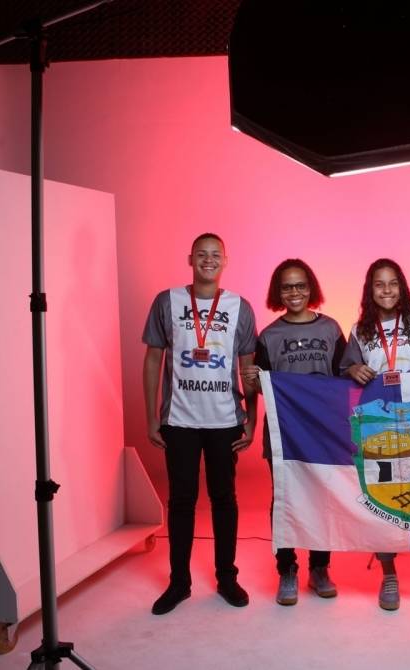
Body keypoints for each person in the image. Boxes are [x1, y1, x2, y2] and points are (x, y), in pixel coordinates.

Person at [142, 232, 258, 614]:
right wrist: (150, 417)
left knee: (224, 499)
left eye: (216, 255)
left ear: (225, 260)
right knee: (181, 500)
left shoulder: (239, 306)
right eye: (201, 254)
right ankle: (179, 583)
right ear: (190, 258)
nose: (208, 260)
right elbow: (154, 360)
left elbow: (247, 368)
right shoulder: (168, 301)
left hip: (225, 420)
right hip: (180, 419)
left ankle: (227, 577)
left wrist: (251, 419)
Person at [338, 258, 410, 620]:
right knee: (385, 497)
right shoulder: (360, 329)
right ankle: (389, 574)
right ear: (369, 291)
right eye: (379, 284)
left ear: (402, 287)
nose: (386, 290)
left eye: (392, 283)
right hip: (379, 425)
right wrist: (353, 369)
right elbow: (346, 369)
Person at [240, 259, 346, 606]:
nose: (295, 292)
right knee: (284, 498)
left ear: (311, 288)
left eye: (301, 285)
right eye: (287, 287)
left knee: (321, 498)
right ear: (278, 292)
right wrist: (252, 382)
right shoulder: (269, 336)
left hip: (323, 430)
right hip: (284, 432)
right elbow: (261, 387)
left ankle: (320, 567)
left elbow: (343, 379)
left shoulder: (331, 329)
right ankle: (287, 569)